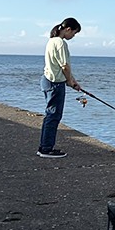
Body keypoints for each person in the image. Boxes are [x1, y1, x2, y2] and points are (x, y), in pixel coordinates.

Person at [38, 17, 82, 158]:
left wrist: (72, 80)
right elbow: (64, 66)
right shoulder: (60, 43)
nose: (73, 36)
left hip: (47, 80)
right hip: (55, 83)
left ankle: (44, 146)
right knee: (54, 115)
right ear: (68, 29)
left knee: (50, 115)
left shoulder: (51, 41)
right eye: (74, 33)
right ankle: (46, 149)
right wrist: (70, 81)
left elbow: (60, 66)